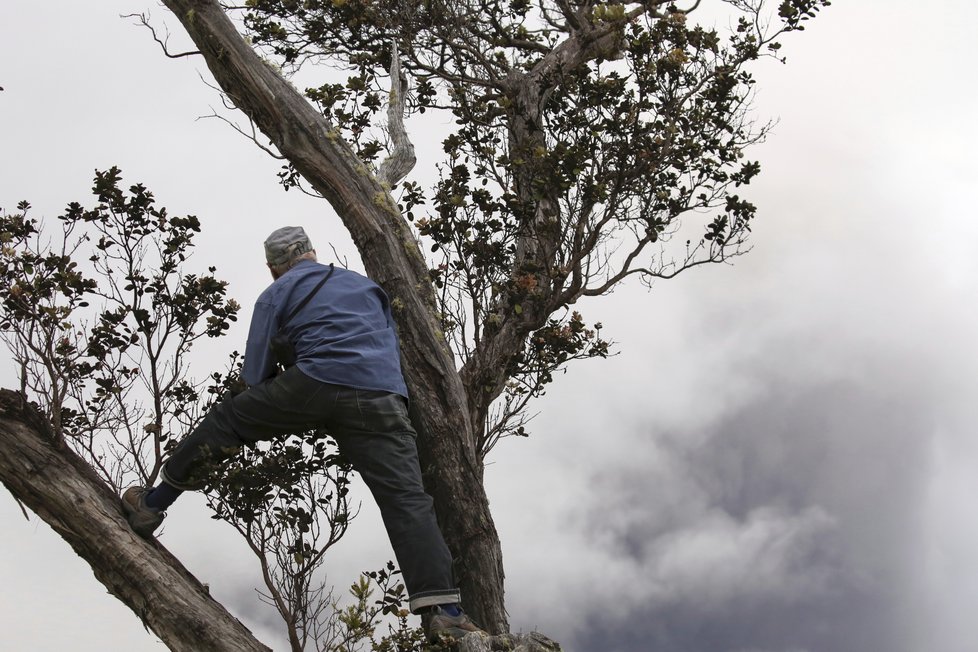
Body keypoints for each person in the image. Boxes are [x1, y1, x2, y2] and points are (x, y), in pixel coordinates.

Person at [122, 226, 482, 640]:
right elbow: (389, 343)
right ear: (312, 252)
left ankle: (151, 503)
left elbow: (256, 377)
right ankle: (446, 611)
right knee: (407, 502)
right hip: (382, 395)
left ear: (273, 268)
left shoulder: (276, 293)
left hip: (315, 381)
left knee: (227, 421)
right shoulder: (366, 287)